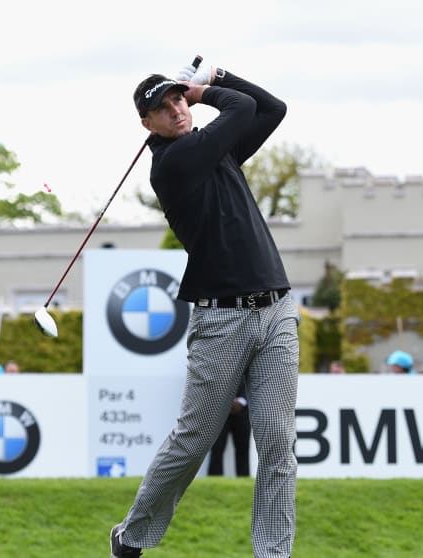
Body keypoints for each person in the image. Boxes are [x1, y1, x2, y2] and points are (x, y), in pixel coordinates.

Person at [111, 59, 298, 558]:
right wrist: (206, 87)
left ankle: (273, 553)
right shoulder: (174, 163)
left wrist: (218, 79)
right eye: (164, 107)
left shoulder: (217, 152)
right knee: (193, 441)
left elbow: (272, 108)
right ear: (146, 123)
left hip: (276, 309)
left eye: (177, 101)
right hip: (221, 319)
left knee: (278, 444)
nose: (176, 110)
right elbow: (239, 107)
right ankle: (132, 536)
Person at [207, 382, 250, 477]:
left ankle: (243, 480)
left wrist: (242, 401)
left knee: (243, 450)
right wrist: (226, 401)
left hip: (243, 412)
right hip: (219, 411)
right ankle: (214, 481)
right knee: (216, 449)